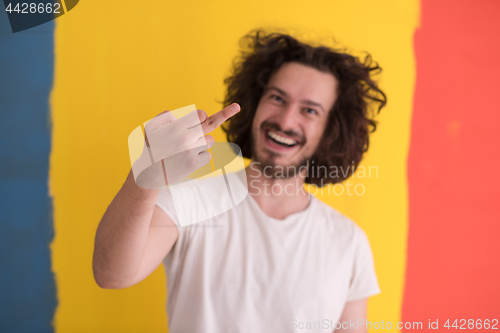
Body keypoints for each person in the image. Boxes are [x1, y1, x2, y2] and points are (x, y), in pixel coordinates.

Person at [93, 29, 387, 333]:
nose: (285, 121)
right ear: (255, 102)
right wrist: (145, 177)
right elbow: (111, 274)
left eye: (309, 110)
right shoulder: (188, 202)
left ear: (331, 129)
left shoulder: (348, 241)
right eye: (277, 98)